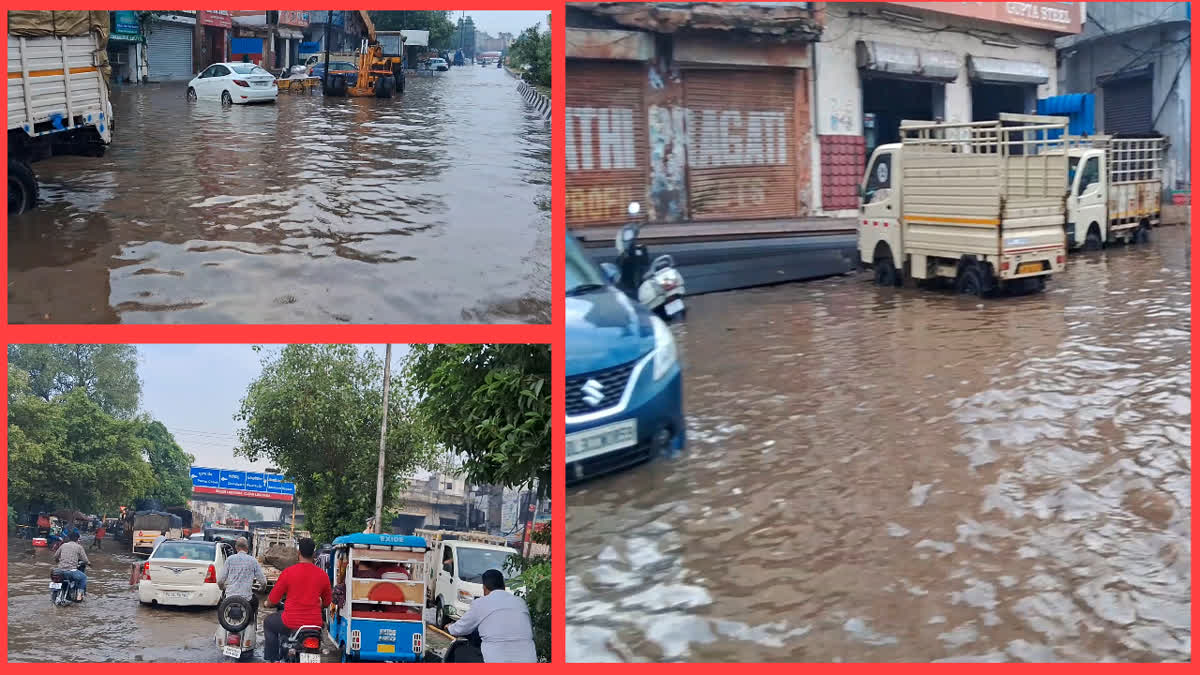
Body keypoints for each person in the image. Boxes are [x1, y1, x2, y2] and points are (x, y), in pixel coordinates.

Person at [263, 538, 331, 662]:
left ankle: (272, 660)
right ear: (314, 555)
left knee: (268, 622)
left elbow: (273, 600)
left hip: (290, 622)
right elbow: (327, 603)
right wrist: (319, 603)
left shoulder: (288, 572)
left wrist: (267, 603)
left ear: (298, 553)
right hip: (315, 626)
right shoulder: (323, 575)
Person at [447, 569, 537, 662]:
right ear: (504, 586)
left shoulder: (481, 603)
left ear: (484, 588)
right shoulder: (520, 602)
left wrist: (449, 627)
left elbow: (460, 629)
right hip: (529, 660)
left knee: (460, 651)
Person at [218, 537, 267, 615]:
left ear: (236, 547)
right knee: (255, 602)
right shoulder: (253, 561)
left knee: (221, 607)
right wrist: (261, 589)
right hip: (247, 599)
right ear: (247, 548)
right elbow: (263, 582)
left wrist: (222, 588)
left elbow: (220, 580)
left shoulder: (229, 559)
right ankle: (251, 622)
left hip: (230, 597)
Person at [53, 531, 90, 598]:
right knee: (83, 577)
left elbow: (55, 556)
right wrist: (89, 563)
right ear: (77, 539)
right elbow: (85, 560)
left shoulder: (63, 545)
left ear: (69, 538)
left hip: (60, 570)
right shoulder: (79, 547)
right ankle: (79, 596)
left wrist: (57, 561)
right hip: (71, 571)